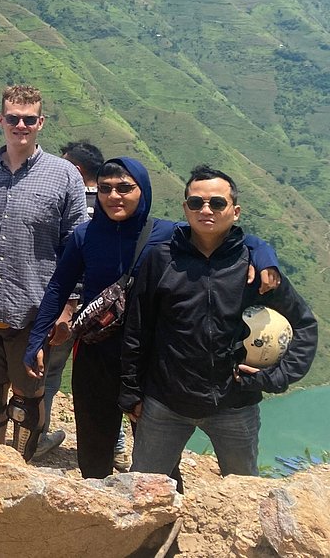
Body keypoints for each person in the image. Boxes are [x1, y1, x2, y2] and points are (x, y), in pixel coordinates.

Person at [25, 158, 280, 478]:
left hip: (152, 360)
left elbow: (227, 237)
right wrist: (37, 339)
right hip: (96, 356)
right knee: (93, 448)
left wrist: (264, 254)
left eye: (124, 188)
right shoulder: (85, 235)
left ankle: (163, 507)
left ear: (142, 190)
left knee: (159, 460)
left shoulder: (168, 233)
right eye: (105, 188)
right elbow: (58, 287)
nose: (114, 196)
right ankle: (100, 507)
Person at [120, 165, 317, 478]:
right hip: (166, 404)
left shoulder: (255, 268)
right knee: (144, 488)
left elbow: (304, 325)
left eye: (217, 203)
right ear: (185, 208)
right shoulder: (162, 260)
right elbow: (138, 330)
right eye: (196, 203)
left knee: (245, 492)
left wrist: (275, 378)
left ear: (235, 211)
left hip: (235, 405)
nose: (206, 210)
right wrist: (131, 391)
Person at [0, 84, 87, 461]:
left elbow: (76, 246)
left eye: (28, 119)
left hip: (34, 309)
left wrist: (68, 309)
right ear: (1, 120)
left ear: (41, 122)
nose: (20, 126)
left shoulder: (64, 176)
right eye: (13, 118)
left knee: (27, 400)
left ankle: (22, 465)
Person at [35, 140, 106, 458]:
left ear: (75, 170)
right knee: (102, 374)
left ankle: (37, 436)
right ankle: (116, 446)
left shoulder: (65, 203)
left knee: (50, 372)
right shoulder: (112, 205)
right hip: (105, 309)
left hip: (66, 302)